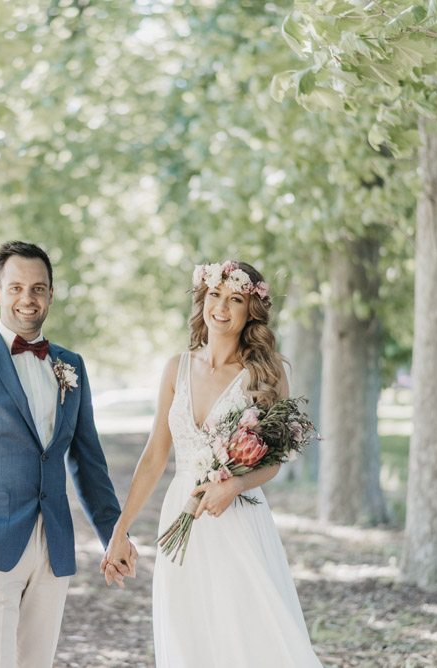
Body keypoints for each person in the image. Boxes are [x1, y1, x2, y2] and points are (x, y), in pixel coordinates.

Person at [0, 241, 137, 668]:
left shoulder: (70, 365)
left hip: (52, 546)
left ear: (51, 295)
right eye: (17, 287)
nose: (28, 298)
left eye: (38, 288)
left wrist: (116, 534)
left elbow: (87, 460)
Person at [101, 260, 323, 667]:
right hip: (179, 515)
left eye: (235, 299)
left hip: (236, 518)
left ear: (250, 311)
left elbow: (276, 461)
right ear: (203, 298)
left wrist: (234, 485)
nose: (221, 306)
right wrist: (120, 530)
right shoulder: (176, 367)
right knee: (189, 635)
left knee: (248, 632)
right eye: (216, 295)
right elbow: (154, 457)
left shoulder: (265, 373)